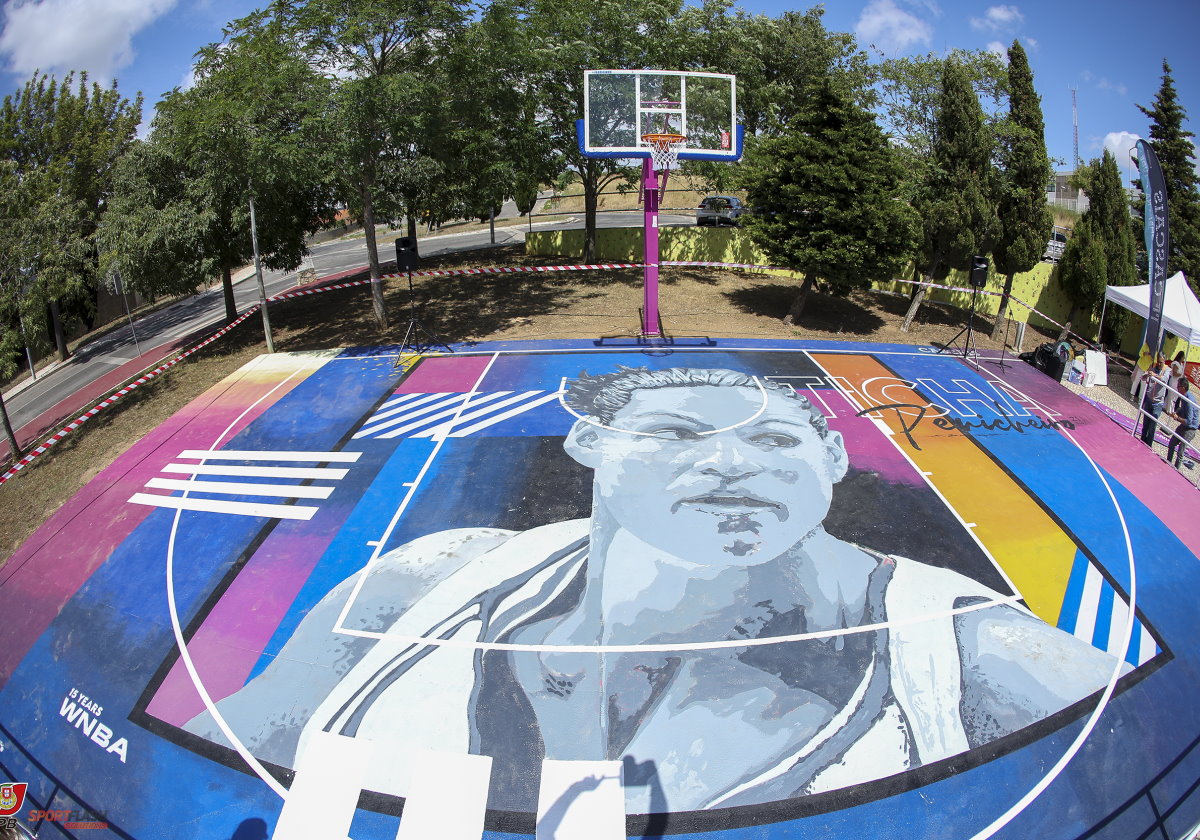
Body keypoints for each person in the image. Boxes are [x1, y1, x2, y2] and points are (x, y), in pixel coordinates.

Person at [187, 366, 1122, 813]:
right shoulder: (431, 582)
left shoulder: (975, 659)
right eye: (677, 433)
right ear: (588, 445)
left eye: (770, 440)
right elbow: (223, 746)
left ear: (834, 458)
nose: (728, 463)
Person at [1167, 377, 1199, 468]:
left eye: (1178, 386)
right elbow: (1182, 409)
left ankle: (1176, 470)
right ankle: (1168, 462)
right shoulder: (1184, 396)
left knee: (1181, 452)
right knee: (1172, 443)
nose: (1177, 388)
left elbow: (1189, 421)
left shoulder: (1189, 401)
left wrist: (1177, 418)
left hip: (1190, 429)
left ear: (1183, 387)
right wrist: (1176, 412)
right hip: (1184, 426)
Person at [1140, 357, 1169, 447]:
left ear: (1165, 361)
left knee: (1152, 426)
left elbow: (1164, 379)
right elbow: (1143, 378)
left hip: (1158, 402)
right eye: (1158, 362)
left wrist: (1154, 375)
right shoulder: (1153, 367)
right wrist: (1147, 374)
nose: (1159, 364)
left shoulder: (1167, 370)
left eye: (1161, 362)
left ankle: (1148, 445)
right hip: (1149, 399)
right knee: (1145, 423)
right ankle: (1141, 441)